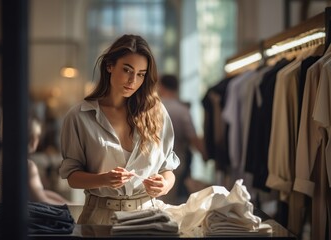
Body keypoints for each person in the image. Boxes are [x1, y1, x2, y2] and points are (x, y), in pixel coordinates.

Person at [59, 34, 180, 225]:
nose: (133, 80)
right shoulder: (79, 116)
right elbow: (72, 177)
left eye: (141, 74)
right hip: (99, 219)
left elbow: (168, 169)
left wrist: (164, 185)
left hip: (149, 218)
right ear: (109, 66)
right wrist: (104, 179)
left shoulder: (156, 112)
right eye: (127, 70)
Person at [157, 74, 208, 205]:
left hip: (152, 163)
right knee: (170, 205)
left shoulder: (152, 107)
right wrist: (205, 155)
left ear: (161, 86)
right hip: (175, 165)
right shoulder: (182, 110)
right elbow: (193, 138)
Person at [27, 115, 73, 205]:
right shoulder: (28, 165)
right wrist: (66, 207)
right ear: (32, 139)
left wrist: (65, 202)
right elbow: (40, 199)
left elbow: (40, 192)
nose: (37, 140)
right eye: (36, 136)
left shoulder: (5, 160)